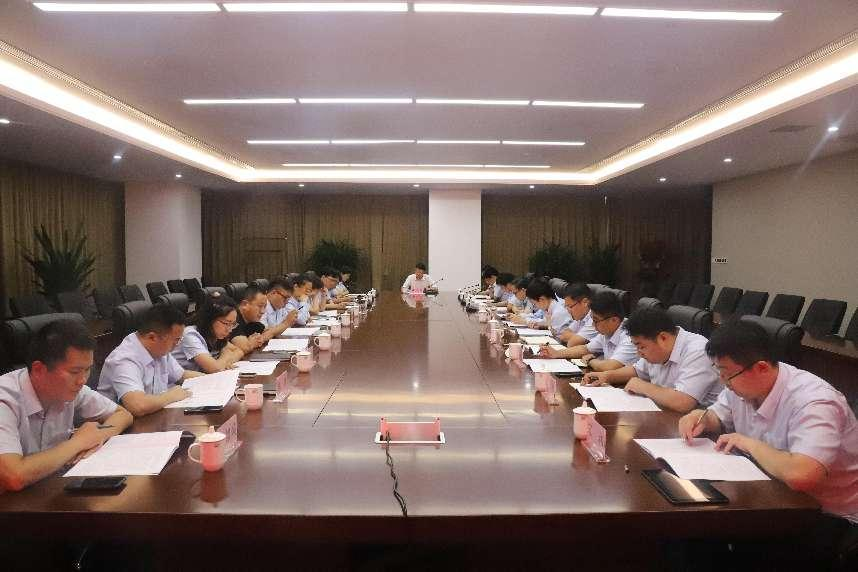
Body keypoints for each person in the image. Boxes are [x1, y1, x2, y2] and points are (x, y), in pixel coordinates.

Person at [678, 321, 857, 564]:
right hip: (771, 494)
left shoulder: (815, 401)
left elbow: (802, 475)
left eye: (727, 374)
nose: (723, 381)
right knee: (692, 533)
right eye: (719, 372)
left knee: (709, 540)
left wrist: (748, 443)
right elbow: (717, 416)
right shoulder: (742, 382)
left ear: (761, 367)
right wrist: (698, 417)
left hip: (827, 513)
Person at [0, 320, 133, 491]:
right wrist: (79, 443)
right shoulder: (5, 399)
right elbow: (13, 476)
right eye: (75, 371)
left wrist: (98, 435)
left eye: (87, 370)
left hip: (49, 490)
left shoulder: (71, 388)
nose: (82, 380)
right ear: (39, 369)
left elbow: (123, 414)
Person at [583, 307, 720, 412]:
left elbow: (683, 402)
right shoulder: (657, 347)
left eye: (641, 347)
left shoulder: (698, 351)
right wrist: (606, 376)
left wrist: (643, 386)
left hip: (702, 430)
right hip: (666, 415)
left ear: (663, 338)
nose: (639, 353)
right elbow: (637, 371)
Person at [98, 304, 204, 416]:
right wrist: (171, 395)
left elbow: (182, 375)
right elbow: (138, 406)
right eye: (176, 340)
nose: (177, 344)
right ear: (152, 337)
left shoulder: (159, 349)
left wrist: (212, 380)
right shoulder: (124, 359)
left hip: (153, 417)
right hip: (124, 424)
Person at [546, 290, 637, 371]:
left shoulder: (630, 335)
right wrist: (556, 353)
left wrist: (590, 360)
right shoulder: (607, 331)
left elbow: (609, 367)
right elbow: (585, 348)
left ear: (614, 320)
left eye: (596, 321)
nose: (593, 325)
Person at [172, 294, 244, 373]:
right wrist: (226, 354)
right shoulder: (190, 335)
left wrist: (226, 362)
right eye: (226, 323)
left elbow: (239, 351)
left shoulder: (216, 334)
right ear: (210, 320)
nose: (229, 330)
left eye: (233, 324)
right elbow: (214, 369)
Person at [228, 285, 268, 353]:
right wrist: (285, 323)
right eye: (260, 306)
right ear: (245, 304)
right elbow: (245, 347)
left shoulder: (251, 320)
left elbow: (267, 332)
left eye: (265, 306)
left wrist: (261, 338)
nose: (263, 311)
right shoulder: (233, 318)